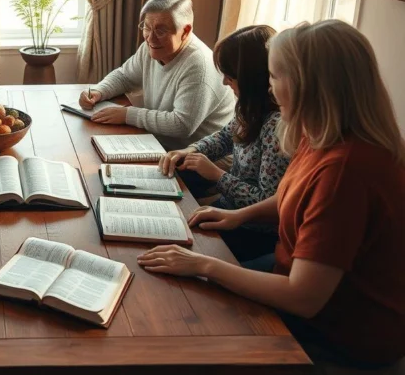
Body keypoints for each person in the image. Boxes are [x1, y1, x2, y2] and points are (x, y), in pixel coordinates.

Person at [138, 20, 405, 368]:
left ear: (307, 86)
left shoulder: (346, 171)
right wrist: (238, 215)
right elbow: (292, 195)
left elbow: (303, 297)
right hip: (294, 278)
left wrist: (204, 265)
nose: (269, 88)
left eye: (275, 77)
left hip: (340, 337)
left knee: (189, 326)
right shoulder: (319, 134)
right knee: (184, 290)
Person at [158, 25, 289, 262]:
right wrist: (191, 150)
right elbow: (225, 137)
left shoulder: (277, 127)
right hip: (228, 209)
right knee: (167, 228)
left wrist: (217, 175)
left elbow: (267, 203)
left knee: (176, 246)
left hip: (254, 231)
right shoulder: (249, 106)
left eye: (230, 75)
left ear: (251, 78)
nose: (225, 82)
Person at [78, 0, 234, 150]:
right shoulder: (151, 47)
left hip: (196, 156)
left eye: (161, 31)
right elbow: (124, 77)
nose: (150, 38)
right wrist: (99, 91)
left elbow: (182, 125)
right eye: (146, 27)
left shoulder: (199, 66)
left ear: (185, 31)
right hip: (158, 144)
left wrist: (127, 115)